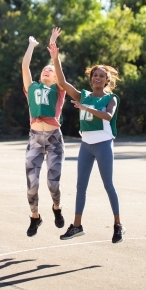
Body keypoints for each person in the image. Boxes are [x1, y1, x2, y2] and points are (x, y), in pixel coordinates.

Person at [48, 41, 125, 244]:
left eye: (101, 75)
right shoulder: (83, 95)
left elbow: (107, 116)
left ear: (107, 79)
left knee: (108, 185)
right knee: (80, 186)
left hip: (103, 145)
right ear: (91, 79)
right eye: (95, 75)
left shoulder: (111, 98)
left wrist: (85, 107)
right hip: (86, 145)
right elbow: (63, 83)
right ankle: (77, 225)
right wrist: (56, 58)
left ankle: (118, 225)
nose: (97, 77)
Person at [22, 27, 66, 237]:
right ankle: (35, 217)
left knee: (52, 183)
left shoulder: (58, 89)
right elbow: (25, 65)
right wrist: (31, 45)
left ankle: (56, 208)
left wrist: (53, 48)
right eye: (44, 70)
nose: (46, 71)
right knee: (32, 184)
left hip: (54, 138)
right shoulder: (31, 88)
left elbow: (57, 69)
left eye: (50, 70)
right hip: (35, 139)